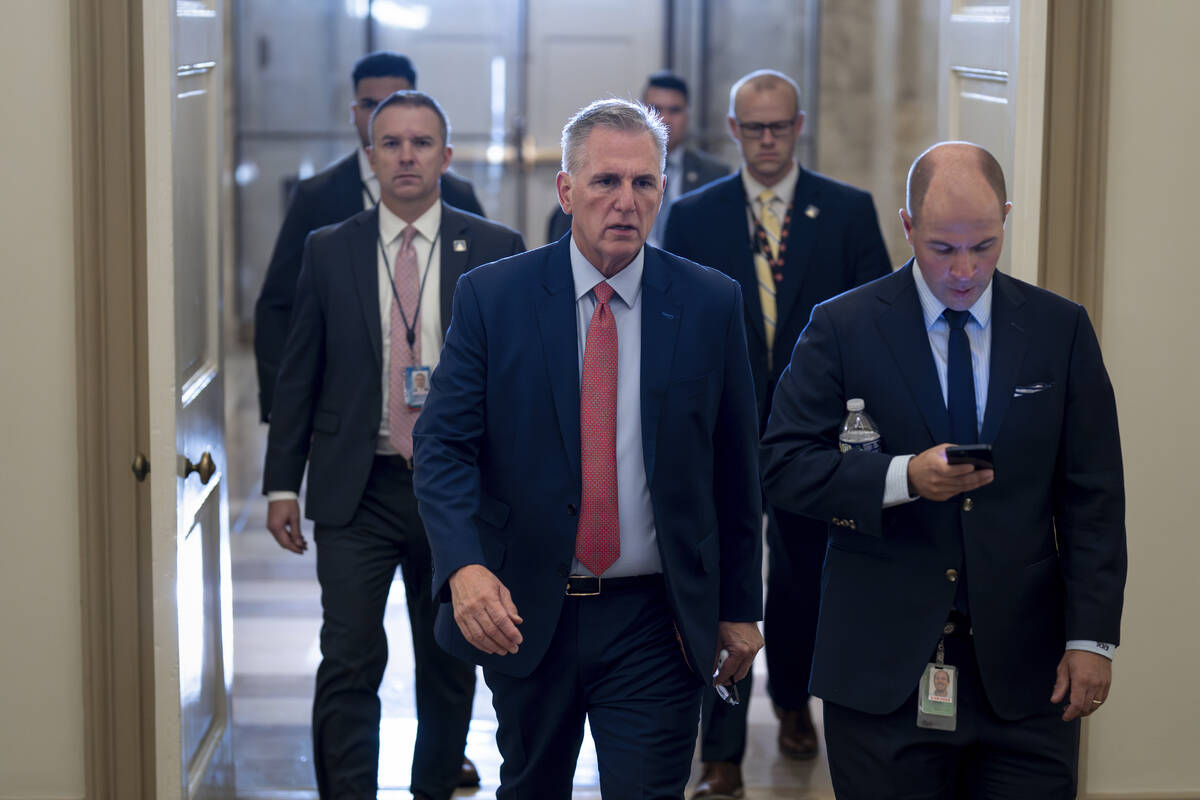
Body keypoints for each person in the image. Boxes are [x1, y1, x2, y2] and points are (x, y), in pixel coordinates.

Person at [413, 98, 764, 799]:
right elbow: (444, 446)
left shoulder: (709, 302)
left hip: (655, 619)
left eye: (645, 183)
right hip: (527, 609)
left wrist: (740, 604)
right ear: (566, 189)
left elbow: (734, 466)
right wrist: (464, 566)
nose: (626, 201)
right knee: (532, 785)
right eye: (606, 181)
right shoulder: (494, 297)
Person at [761, 141, 1127, 799]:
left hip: (1027, 676)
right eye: (942, 248)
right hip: (881, 676)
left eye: (983, 246)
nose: (964, 270)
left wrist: (1092, 639)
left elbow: (1093, 496)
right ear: (907, 227)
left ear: (1006, 220)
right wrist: (901, 478)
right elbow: (783, 465)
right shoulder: (842, 327)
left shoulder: (1058, 330)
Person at [262, 90, 525, 800]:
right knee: (348, 656)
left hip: (456, 491)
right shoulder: (330, 249)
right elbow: (299, 372)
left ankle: (434, 787)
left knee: (449, 657)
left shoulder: (496, 249)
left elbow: (519, 382)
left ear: (446, 155)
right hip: (358, 487)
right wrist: (282, 481)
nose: (406, 156)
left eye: (421, 143)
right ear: (370, 156)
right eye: (392, 144)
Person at [662, 68, 891, 798]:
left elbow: (877, 324)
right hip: (719, 427)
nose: (766, 139)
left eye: (779, 126)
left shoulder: (846, 211)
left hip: (813, 430)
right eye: (752, 127)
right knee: (723, 582)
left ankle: (794, 703)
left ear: (798, 127)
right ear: (731, 129)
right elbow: (674, 325)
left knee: (800, 580)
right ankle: (720, 749)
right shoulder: (694, 214)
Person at [254, 50, 485, 423]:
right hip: (346, 411)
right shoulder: (317, 197)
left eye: (391, 101)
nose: (379, 112)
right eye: (368, 103)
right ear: (353, 111)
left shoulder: (459, 197)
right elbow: (278, 306)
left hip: (450, 415)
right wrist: (287, 415)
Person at [546, 70, 728, 246]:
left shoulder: (715, 175)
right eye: (607, 182)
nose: (665, 118)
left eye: (643, 183)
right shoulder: (589, 171)